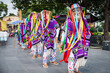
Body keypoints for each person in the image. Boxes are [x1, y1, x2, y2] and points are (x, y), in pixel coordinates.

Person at [60, 3, 91, 73]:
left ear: (81, 12)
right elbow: (64, 33)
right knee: (71, 56)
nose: (77, 12)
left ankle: (76, 69)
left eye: (78, 11)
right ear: (71, 12)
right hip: (71, 43)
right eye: (74, 11)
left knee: (79, 56)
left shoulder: (84, 20)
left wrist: (86, 35)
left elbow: (87, 31)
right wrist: (62, 42)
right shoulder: (68, 22)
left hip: (81, 42)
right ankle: (70, 70)